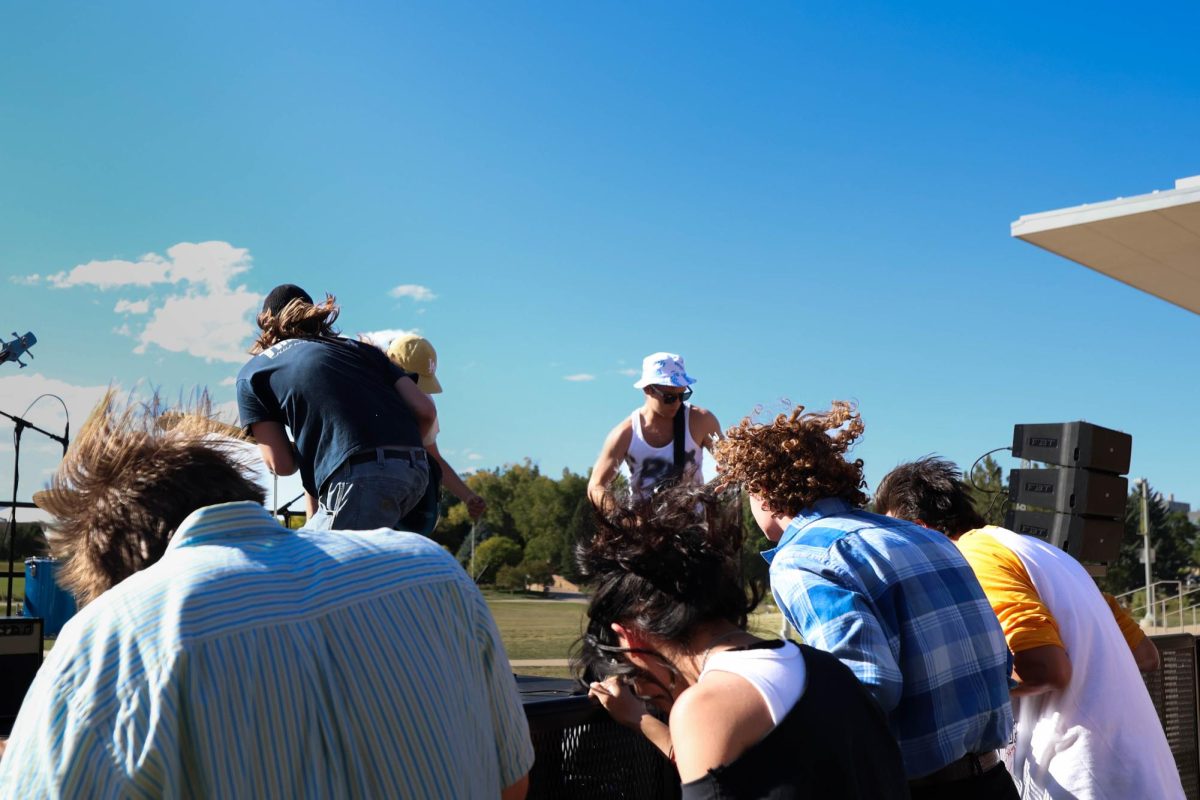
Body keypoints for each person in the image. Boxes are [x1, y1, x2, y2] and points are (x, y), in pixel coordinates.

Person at [0, 392, 533, 799]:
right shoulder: (432, 572)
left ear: (121, 571)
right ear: (240, 492)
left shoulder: (107, 640)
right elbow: (513, 784)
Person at [716, 403, 1018, 799]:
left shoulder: (801, 558)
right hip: (994, 781)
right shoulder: (924, 537)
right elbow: (1001, 661)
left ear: (766, 494)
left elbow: (865, 689)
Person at [874, 457, 1184, 800]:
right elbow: (1145, 654)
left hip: (1085, 780)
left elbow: (1047, 670)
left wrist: (954, 698)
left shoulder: (974, 556)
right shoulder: (1046, 555)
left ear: (922, 529)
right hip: (1142, 778)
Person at [575, 489, 909, 799]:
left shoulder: (705, 706)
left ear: (628, 636)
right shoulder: (823, 666)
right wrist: (641, 720)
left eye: (641, 682)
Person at [236, 284, 436, 530]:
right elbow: (426, 411)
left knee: (313, 562)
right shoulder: (358, 349)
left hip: (360, 477)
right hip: (415, 471)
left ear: (266, 325)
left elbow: (281, 464)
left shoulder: (254, 373)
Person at [587, 352, 722, 512]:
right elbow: (596, 486)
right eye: (670, 397)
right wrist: (624, 519)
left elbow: (732, 463)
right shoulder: (625, 433)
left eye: (683, 395)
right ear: (648, 389)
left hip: (694, 529)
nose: (677, 403)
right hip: (643, 531)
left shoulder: (701, 421)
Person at [385, 333, 486, 524]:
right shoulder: (367, 389)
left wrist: (468, 496)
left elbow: (433, 458)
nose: (420, 390)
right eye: (416, 380)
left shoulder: (425, 405)